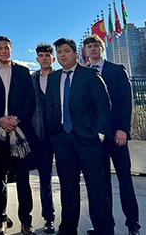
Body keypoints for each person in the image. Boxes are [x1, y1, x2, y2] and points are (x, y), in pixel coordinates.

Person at [45, 38, 114, 235]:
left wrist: (99, 134)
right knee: (68, 189)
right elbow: (50, 106)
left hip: (89, 141)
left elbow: (103, 106)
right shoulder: (53, 78)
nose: (62, 55)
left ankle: (104, 229)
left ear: (76, 54)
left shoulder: (90, 75)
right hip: (63, 141)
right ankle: (68, 228)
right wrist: (54, 132)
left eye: (66, 51)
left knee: (96, 188)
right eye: (59, 52)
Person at [83, 35, 140, 235]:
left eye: (95, 45)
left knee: (125, 179)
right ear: (85, 51)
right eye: (88, 46)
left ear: (101, 48)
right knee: (101, 183)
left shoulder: (116, 70)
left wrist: (123, 128)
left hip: (117, 135)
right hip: (97, 139)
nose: (92, 49)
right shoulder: (84, 74)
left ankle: (133, 223)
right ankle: (105, 226)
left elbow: (126, 102)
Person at [0, 36, 37, 235]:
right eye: (0, 48)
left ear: (11, 50)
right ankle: (0, 220)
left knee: (24, 180)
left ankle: (26, 222)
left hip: (20, 134)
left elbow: (29, 101)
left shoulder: (23, 72)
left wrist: (16, 120)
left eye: (6, 48)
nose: (4, 51)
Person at [30, 44, 56, 234]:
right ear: (37, 59)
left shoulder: (61, 77)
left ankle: (70, 220)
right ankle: (49, 218)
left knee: (67, 178)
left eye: (47, 55)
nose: (44, 58)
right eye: (41, 55)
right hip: (41, 136)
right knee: (45, 179)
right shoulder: (31, 80)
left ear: (52, 58)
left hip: (62, 135)